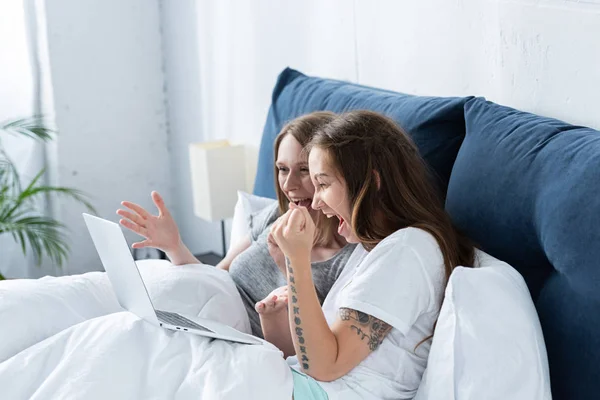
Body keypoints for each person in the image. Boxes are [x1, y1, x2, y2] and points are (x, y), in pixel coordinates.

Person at [261, 110, 475, 399]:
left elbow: (324, 366)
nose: (318, 201)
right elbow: (313, 355)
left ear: (371, 181)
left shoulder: (408, 250)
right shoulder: (373, 248)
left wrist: (297, 260)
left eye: (323, 184)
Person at [116, 111, 355, 340]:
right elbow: (215, 278)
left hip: (243, 349)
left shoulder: (345, 261)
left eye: (304, 170)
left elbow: (310, 351)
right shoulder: (276, 215)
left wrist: (289, 265)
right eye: (282, 169)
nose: (289, 185)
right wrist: (174, 245)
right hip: (205, 323)